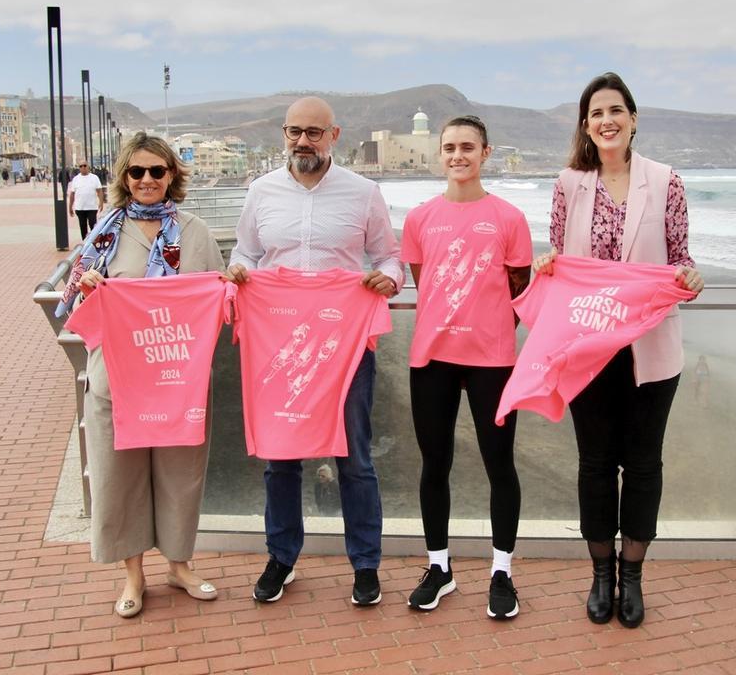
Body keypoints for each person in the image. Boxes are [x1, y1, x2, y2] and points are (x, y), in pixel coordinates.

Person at [533, 72, 704, 628]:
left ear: (633, 119)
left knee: (645, 465)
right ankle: (600, 572)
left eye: (616, 111)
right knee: (596, 464)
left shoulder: (666, 180)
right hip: (589, 348)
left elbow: (680, 258)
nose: (606, 121)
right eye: (595, 113)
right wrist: (545, 264)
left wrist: (691, 277)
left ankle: (633, 573)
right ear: (586, 126)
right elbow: (562, 257)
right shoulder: (568, 183)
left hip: (650, 350)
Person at [224, 96, 401, 607]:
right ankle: (282, 557)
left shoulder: (363, 193)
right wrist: (240, 272)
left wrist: (386, 279)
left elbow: (390, 256)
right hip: (278, 343)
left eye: (314, 133)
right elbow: (245, 252)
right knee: (280, 459)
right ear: (284, 134)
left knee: (355, 458)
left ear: (335, 135)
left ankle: (366, 565)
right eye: (294, 131)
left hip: (343, 344)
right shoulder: (261, 192)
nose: (303, 141)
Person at [61, 131, 225, 618]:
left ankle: (179, 565)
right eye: (137, 172)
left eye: (157, 170)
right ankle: (133, 575)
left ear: (172, 175)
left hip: (179, 382)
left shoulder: (194, 232)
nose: (147, 179)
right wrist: (91, 288)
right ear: (124, 178)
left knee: (181, 475)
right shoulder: (103, 236)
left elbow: (217, 301)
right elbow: (70, 304)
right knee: (120, 476)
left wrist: (235, 284)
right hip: (118, 380)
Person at [400, 116, 532, 619]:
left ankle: (502, 571)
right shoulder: (419, 218)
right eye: (450, 147)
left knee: (500, 465)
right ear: (440, 154)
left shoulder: (508, 218)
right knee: (435, 465)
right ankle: (440, 568)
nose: (459, 155)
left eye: (468, 147)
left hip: (493, 362)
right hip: (431, 359)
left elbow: (519, 289)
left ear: (485, 152)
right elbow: (422, 278)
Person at [68, 161, 105, 238]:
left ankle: (93, 243)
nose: (83, 167)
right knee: (83, 227)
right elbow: (72, 194)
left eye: (84, 166)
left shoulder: (94, 178)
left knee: (93, 226)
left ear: (88, 167)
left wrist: (101, 203)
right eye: (80, 166)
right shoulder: (76, 179)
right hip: (80, 208)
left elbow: (99, 191)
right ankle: (85, 245)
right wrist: (70, 207)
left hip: (92, 207)